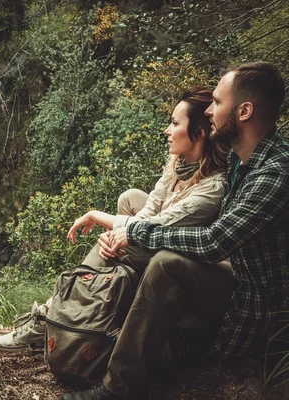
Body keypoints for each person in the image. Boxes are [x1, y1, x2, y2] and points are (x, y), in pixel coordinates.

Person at [64, 62, 289, 400]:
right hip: (233, 270)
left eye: (217, 102)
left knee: (165, 261)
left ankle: (118, 387)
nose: (210, 110)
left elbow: (214, 241)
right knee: (133, 205)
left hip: (253, 300)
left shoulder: (275, 172)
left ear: (244, 111)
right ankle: (74, 317)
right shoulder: (240, 158)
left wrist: (135, 233)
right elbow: (187, 174)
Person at [0, 87, 229, 352]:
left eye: (174, 124)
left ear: (198, 134)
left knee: (113, 243)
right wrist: (120, 232)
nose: (167, 130)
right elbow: (148, 212)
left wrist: (102, 221)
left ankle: (49, 317)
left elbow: (154, 228)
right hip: (160, 235)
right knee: (129, 202)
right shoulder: (178, 162)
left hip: (184, 264)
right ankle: (110, 296)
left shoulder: (212, 188)